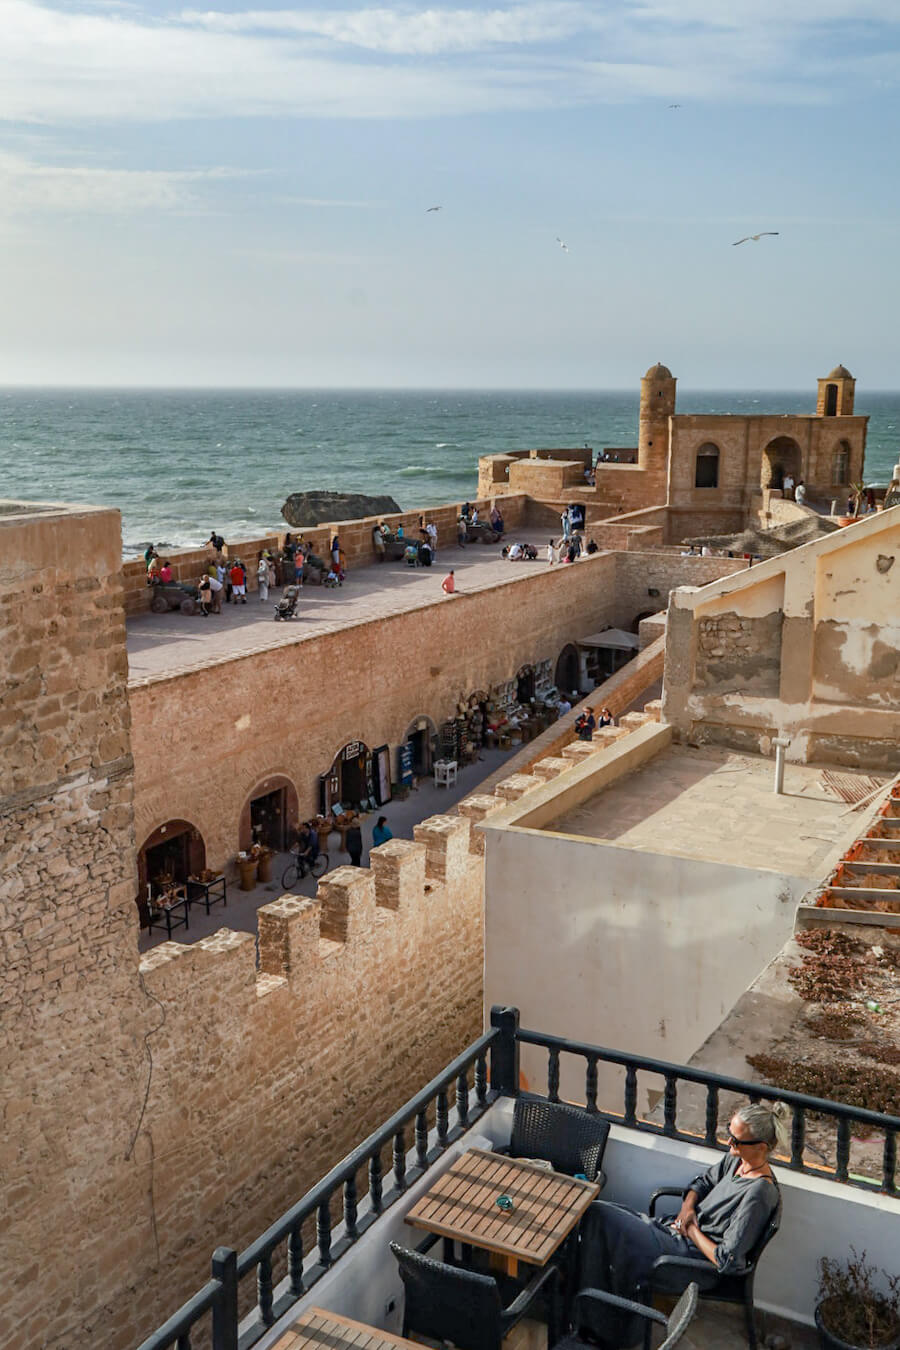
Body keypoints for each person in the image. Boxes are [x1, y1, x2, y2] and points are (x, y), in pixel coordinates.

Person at [577, 1102, 785, 1348]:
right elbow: (702, 1183)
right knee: (602, 1218)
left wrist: (691, 1229)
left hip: (689, 1258)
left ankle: (598, 1323)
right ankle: (598, 1317)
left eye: (737, 1140)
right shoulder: (736, 1161)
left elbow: (727, 1260)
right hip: (674, 1233)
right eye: (729, 1132)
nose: (729, 1142)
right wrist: (688, 1208)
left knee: (599, 1215)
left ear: (761, 1147)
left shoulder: (758, 1194)